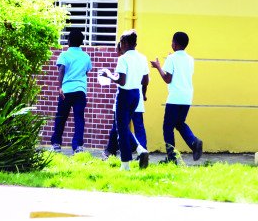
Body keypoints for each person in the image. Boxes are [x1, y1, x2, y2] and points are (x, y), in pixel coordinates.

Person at [151, 31, 203, 164]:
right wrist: (169, 59)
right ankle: (194, 142)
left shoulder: (172, 58)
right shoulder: (190, 59)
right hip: (186, 97)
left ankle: (172, 157)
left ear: (174, 43)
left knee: (167, 127)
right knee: (179, 123)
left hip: (175, 98)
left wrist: (158, 67)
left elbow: (168, 79)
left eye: (172, 42)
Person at [102, 30, 150, 170]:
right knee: (122, 127)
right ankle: (141, 150)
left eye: (121, 42)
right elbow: (146, 79)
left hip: (124, 95)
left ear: (125, 43)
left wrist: (108, 74)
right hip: (136, 94)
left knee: (121, 130)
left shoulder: (123, 59)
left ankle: (125, 165)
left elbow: (121, 81)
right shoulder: (142, 57)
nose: (120, 46)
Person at [50, 28, 92, 154]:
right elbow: (86, 72)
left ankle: (56, 144)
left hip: (66, 91)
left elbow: (61, 70)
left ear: (68, 41)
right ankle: (78, 146)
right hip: (80, 91)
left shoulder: (64, 55)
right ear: (81, 42)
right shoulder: (86, 56)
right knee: (79, 118)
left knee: (61, 117)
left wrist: (59, 87)